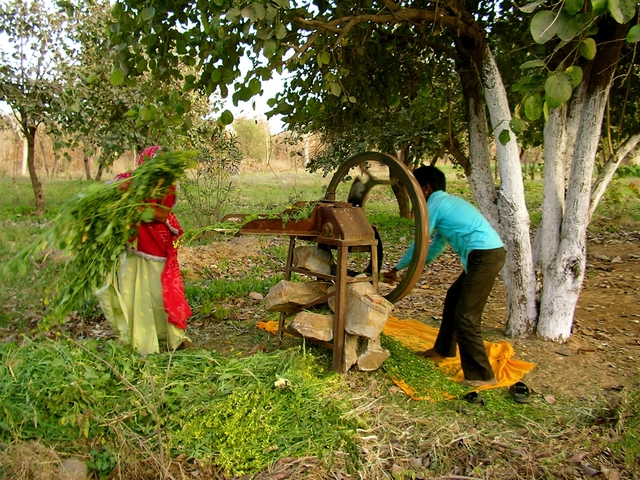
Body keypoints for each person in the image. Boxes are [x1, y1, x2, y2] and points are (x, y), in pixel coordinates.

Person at [383, 166, 505, 387]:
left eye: (415, 189)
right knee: (453, 298)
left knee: (466, 316)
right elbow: (433, 248)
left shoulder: (433, 205)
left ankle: (481, 375)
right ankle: (443, 351)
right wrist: (402, 267)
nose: (413, 195)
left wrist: (397, 268)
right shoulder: (444, 204)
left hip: (485, 256)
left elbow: (420, 242)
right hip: (485, 255)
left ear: (426, 188)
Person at [96, 146, 193, 354]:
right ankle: (140, 341)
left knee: (158, 293)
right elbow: (109, 190)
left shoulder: (167, 186)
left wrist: (134, 204)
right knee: (132, 292)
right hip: (133, 244)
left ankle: (168, 337)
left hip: (155, 245)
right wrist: (122, 190)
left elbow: (160, 215)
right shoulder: (131, 179)